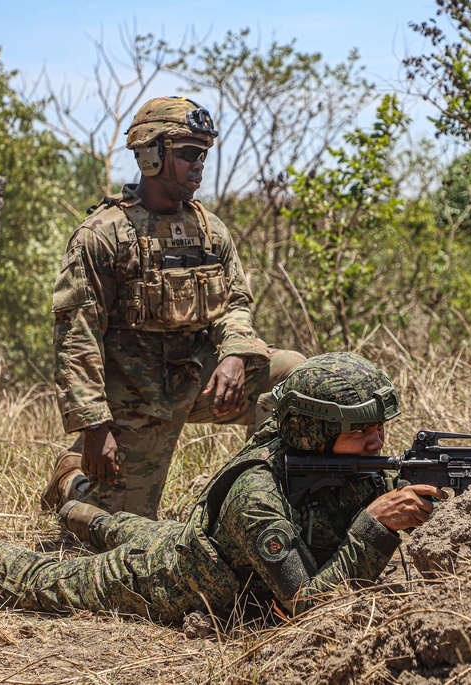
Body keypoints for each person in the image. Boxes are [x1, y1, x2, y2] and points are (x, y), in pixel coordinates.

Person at [0, 353, 447, 622]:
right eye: (361, 431)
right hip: (169, 579)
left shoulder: (331, 460)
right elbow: (305, 607)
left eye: (380, 429)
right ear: (317, 431)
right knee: (34, 579)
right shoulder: (257, 495)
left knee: (102, 523)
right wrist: (376, 525)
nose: (377, 443)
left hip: (190, 539)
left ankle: (73, 504)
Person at [44, 95, 304, 518]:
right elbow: (77, 335)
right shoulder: (102, 235)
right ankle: (71, 476)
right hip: (135, 399)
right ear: (150, 156)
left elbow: (235, 303)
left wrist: (236, 354)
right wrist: (94, 426)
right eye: (187, 153)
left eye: (203, 153)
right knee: (118, 528)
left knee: (295, 376)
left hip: (198, 379)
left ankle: (264, 495)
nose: (199, 163)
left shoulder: (210, 230)